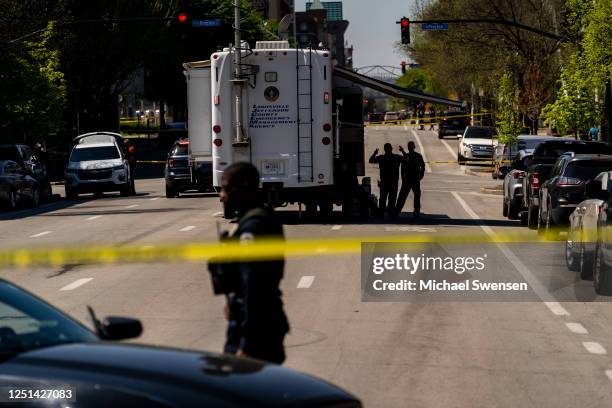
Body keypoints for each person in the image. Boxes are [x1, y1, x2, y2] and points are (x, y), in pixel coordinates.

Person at [209, 162, 290, 364]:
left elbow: (254, 285)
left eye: (226, 188)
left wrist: (246, 344)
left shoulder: (253, 228)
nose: (221, 196)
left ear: (245, 187)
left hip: (255, 328)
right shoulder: (260, 218)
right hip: (260, 319)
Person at [393, 141, 426, 219]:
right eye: (409, 147)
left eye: (411, 146)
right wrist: (403, 178)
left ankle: (416, 211)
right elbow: (403, 168)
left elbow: (423, 166)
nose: (410, 148)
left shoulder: (418, 156)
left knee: (416, 196)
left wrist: (421, 175)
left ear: (413, 147)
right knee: (402, 196)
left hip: (414, 179)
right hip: (408, 179)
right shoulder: (409, 156)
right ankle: (397, 211)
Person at [369, 143, 402, 217]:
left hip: (384, 182)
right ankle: (390, 212)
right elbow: (406, 159)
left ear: (385, 149)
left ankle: (381, 213)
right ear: (391, 149)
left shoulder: (381, 158)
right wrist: (402, 151)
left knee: (383, 199)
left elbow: (370, 160)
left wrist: (374, 153)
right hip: (393, 182)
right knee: (392, 199)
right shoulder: (396, 157)